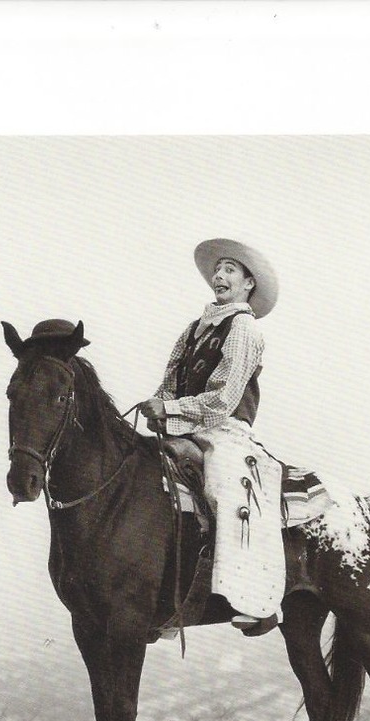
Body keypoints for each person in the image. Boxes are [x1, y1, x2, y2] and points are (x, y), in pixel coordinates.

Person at [138, 239, 284, 636]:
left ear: (248, 283)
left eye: (230, 270)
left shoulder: (243, 327)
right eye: (217, 269)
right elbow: (169, 383)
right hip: (184, 428)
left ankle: (252, 598)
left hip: (224, 431)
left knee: (225, 488)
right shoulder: (192, 330)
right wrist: (160, 406)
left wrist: (171, 410)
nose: (219, 276)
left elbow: (223, 397)